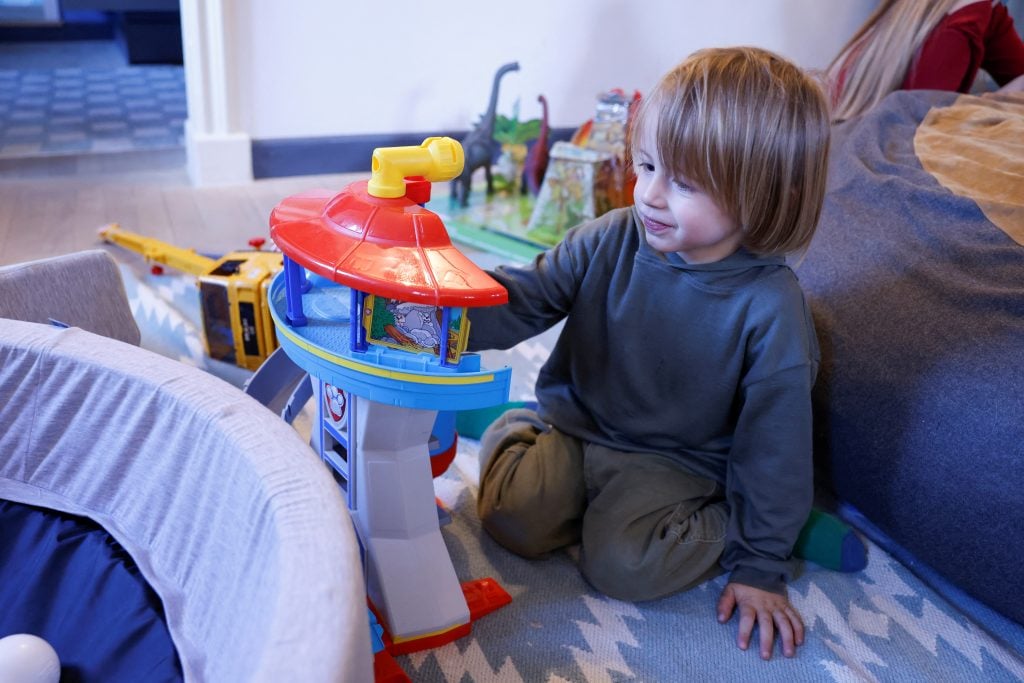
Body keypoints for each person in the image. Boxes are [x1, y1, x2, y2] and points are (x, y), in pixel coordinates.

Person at [465, 46, 831, 660]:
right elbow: (521, 297)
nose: (651, 195)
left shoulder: (771, 309)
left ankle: (767, 528)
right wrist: (436, 312)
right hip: (575, 425)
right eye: (647, 165)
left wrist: (759, 562)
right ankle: (515, 423)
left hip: (677, 462)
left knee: (623, 566)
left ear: (763, 193)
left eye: (684, 183)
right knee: (512, 517)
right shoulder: (611, 236)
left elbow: (776, 447)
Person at [829, 0, 1024, 121]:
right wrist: (988, 103)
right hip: (859, 141)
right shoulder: (955, 31)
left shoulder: (985, 12)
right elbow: (919, 127)